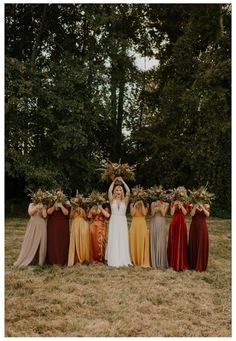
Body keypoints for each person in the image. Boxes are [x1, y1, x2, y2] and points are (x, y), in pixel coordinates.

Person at [107, 176, 132, 267]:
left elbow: (128, 191)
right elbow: (109, 191)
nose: (118, 192)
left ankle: (123, 258)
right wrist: (114, 181)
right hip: (114, 221)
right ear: (115, 192)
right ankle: (113, 259)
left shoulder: (125, 201)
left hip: (122, 221)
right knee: (114, 238)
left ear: (122, 192)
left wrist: (123, 181)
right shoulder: (112, 200)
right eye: (117, 190)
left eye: (120, 190)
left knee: (122, 239)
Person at [14, 202, 47, 267]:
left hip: (41, 224)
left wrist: (43, 208)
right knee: (30, 240)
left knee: (41, 241)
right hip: (33, 223)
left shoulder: (44, 205)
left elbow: (45, 216)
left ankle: (40, 261)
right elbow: (30, 213)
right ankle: (28, 258)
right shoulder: (31, 204)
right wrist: (36, 207)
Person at [167, 187, 189, 271]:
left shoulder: (186, 202)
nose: (180, 193)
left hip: (182, 222)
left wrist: (181, 205)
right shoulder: (173, 202)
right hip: (174, 222)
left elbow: (185, 213)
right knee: (174, 240)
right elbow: (172, 213)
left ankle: (181, 261)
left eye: (182, 192)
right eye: (179, 192)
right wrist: (175, 205)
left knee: (182, 240)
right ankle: (173, 261)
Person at [46, 197, 71, 266]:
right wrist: (54, 206)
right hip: (52, 224)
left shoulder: (66, 203)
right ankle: (52, 260)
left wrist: (61, 206)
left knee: (62, 240)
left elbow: (67, 213)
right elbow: (48, 212)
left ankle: (62, 260)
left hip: (63, 224)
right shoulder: (51, 202)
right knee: (52, 240)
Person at [188, 203, 210, 271]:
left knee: (202, 243)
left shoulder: (206, 205)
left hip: (203, 227)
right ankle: (193, 264)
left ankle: (201, 264)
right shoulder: (192, 205)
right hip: (194, 227)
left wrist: (202, 207)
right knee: (194, 243)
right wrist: (195, 206)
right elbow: (191, 214)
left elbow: (207, 215)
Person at [129, 200, 150, 267]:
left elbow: (144, 213)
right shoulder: (132, 204)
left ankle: (142, 260)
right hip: (134, 224)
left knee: (141, 241)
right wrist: (135, 205)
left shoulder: (146, 204)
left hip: (142, 224)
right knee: (134, 241)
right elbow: (132, 214)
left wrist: (142, 204)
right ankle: (133, 259)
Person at [150, 198, 169, 269]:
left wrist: (160, 205)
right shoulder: (152, 203)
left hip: (161, 223)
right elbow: (152, 214)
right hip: (154, 223)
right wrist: (155, 206)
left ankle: (161, 261)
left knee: (161, 241)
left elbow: (163, 214)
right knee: (154, 240)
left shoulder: (166, 204)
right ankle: (154, 261)